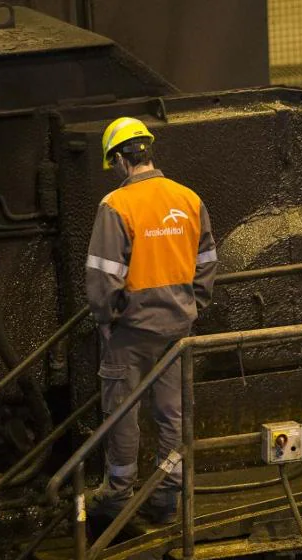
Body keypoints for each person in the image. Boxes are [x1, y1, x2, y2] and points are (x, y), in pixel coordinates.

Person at [84, 116, 218, 526]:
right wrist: (189, 305)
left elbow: (103, 278)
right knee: (173, 414)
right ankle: (167, 492)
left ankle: (119, 491)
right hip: (178, 330)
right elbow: (207, 261)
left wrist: (109, 317)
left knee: (122, 411)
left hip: (131, 333)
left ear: (121, 161)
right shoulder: (188, 199)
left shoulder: (116, 206)